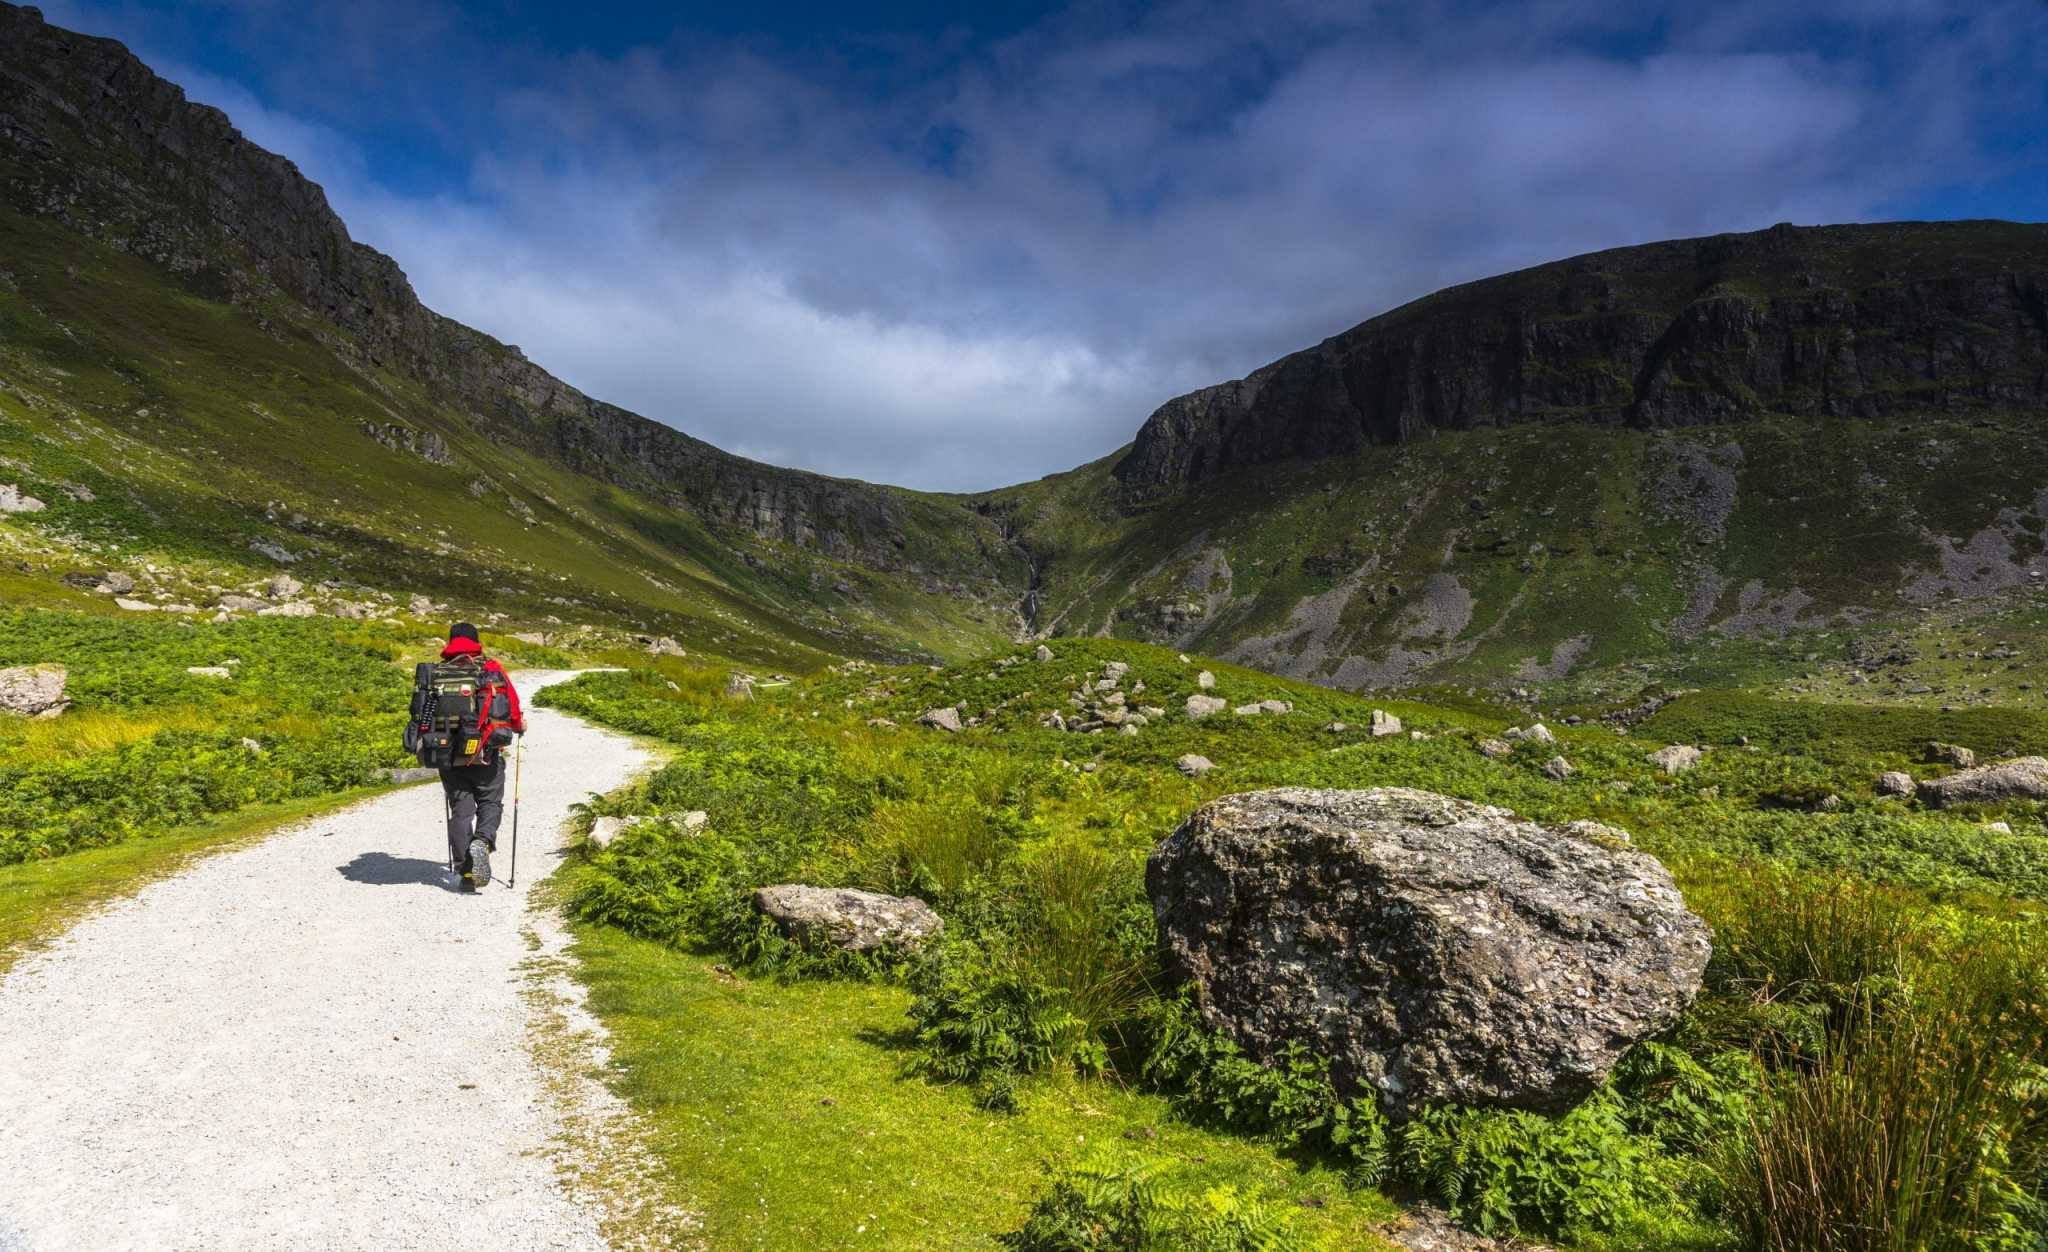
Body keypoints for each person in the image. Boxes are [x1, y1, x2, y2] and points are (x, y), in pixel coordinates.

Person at [435, 622, 525, 891]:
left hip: (448, 754)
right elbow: (513, 705)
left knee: (461, 810)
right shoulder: (491, 668)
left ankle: (466, 874)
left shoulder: (436, 672)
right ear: (476, 641)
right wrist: (519, 726)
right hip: (486, 752)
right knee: (490, 802)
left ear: (451, 642)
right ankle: (482, 842)